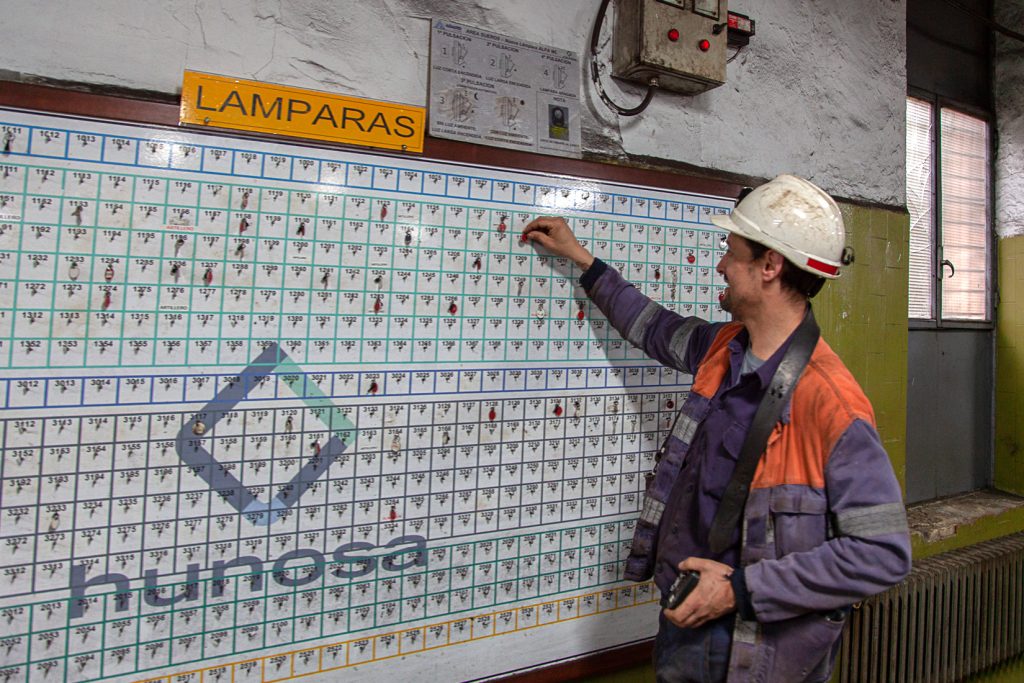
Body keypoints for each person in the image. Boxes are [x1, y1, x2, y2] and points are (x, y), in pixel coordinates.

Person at [522, 175, 911, 682]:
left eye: (731, 251)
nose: (720, 265)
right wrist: (584, 262)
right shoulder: (724, 348)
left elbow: (882, 554)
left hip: (756, 651)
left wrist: (740, 589)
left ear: (769, 266)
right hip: (688, 625)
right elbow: (653, 328)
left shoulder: (830, 405)